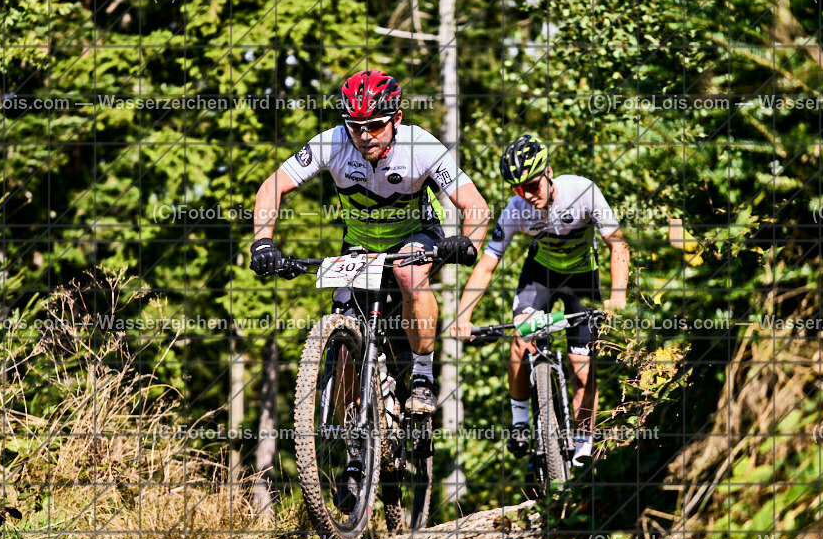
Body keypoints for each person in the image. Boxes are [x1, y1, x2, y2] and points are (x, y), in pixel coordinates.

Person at [251, 68, 490, 422]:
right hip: (360, 247)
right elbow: (273, 185)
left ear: (397, 118)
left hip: (415, 236)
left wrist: (467, 241)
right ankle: (356, 437)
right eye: (355, 126)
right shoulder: (332, 142)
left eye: (375, 125)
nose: (364, 136)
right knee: (343, 339)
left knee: (407, 271)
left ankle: (423, 374)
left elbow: (476, 206)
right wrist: (263, 242)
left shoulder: (419, 146)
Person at [451, 134, 630, 470]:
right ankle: (520, 419)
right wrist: (463, 315)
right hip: (540, 278)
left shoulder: (582, 191)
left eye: (532, 185)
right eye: (519, 189)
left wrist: (617, 296)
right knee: (521, 341)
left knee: (583, 368)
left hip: (581, 279)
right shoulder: (517, 210)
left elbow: (617, 245)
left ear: (549, 172)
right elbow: (487, 264)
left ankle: (584, 441)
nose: (528, 195)